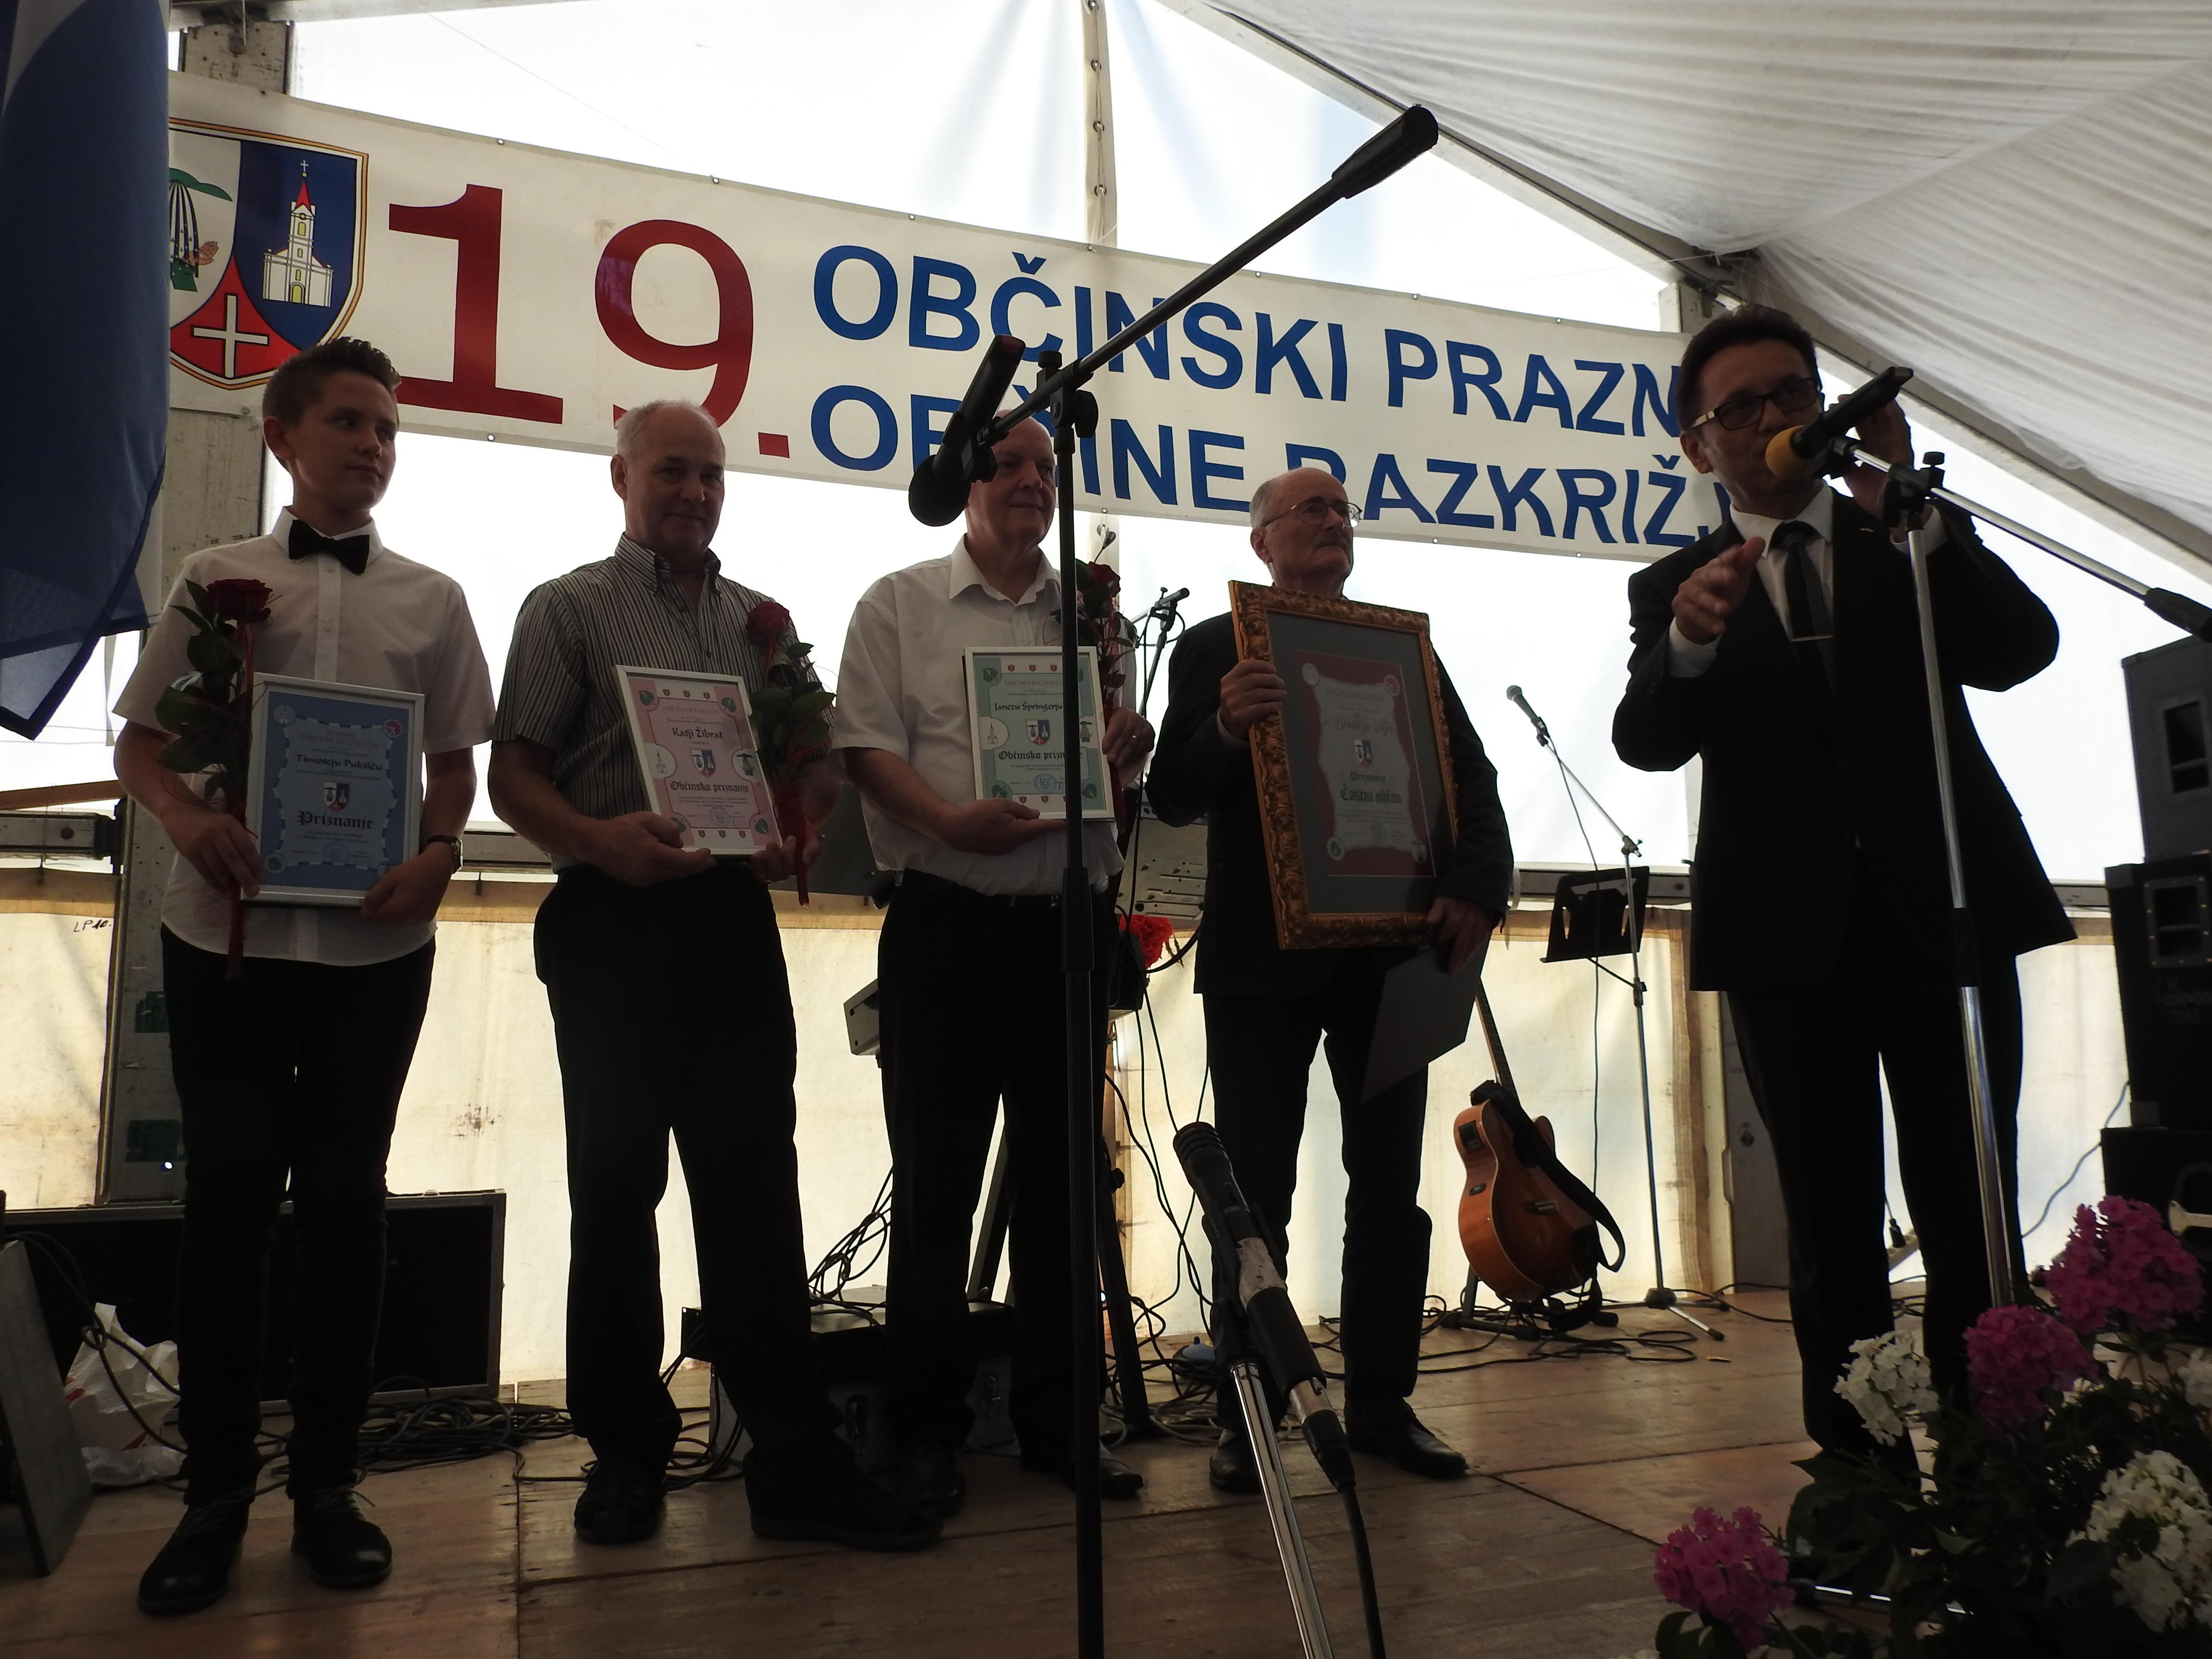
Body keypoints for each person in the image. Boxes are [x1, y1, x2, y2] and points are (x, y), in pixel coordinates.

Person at [1611, 305, 2071, 1454]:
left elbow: (2022, 651)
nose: (1776, 417)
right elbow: (1647, 742)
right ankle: (1862, 1480)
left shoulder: (1902, 532)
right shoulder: (1675, 586)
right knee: (1831, 1220)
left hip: (1946, 916)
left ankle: (2000, 1470)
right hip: (1786, 941)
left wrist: (1922, 522)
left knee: (1973, 1207)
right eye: (1743, 406)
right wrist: (1690, 644)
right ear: (1699, 446)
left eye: (1794, 393)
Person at [487, 399, 937, 1552]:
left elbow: (815, 769)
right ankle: (625, 1452)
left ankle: (794, 1463)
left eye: (711, 476)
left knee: (753, 1192)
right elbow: (514, 778)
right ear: (622, 477)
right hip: (610, 917)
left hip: (731, 923)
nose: (693, 493)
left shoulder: (762, 625)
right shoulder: (567, 607)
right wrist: (594, 841)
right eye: (672, 472)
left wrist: (800, 824)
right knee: (616, 1191)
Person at [113, 338, 496, 1614]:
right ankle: (214, 1497)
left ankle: (329, 1486)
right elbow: (140, 747)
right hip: (224, 941)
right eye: (349, 422)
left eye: (387, 428)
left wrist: (440, 854)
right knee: (228, 1199)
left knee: (343, 1205)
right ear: (283, 436)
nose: (373, 445)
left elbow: (455, 767)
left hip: (376, 950)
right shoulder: (212, 577)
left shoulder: (435, 599)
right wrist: (184, 819)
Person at [1146, 467, 1513, 1493]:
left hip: (1390, 959)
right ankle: (1251, 1417)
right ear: (1261, 541)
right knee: (1252, 1197)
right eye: (1311, 509)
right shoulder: (1215, 647)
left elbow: (1473, 779)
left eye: (1343, 510)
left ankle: (1383, 1406)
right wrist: (1225, 727)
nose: (1333, 522)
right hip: (1262, 965)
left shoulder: (1401, 652)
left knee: (1390, 1193)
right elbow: (1170, 794)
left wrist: (1476, 888)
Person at [835, 416, 1154, 1519]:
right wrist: (944, 820)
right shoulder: (899, 604)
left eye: (1046, 468)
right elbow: (864, 748)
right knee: (937, 1191)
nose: (1031, 481)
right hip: (948, 924)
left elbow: (1109, 763)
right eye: (1009, 464)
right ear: (965, 484)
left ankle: (1059, 1424)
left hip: (1065, 929)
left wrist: (1125, 750)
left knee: (1066, 1189)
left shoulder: (1092, 614)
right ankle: (927, 1434)